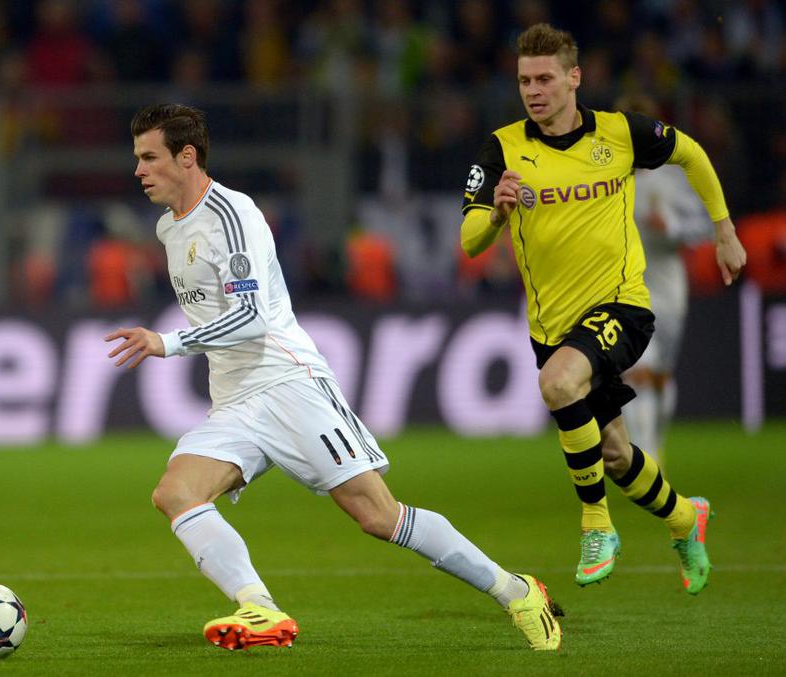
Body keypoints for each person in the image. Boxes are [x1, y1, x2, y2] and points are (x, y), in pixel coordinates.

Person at [105, 103, 563, 652]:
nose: (139, 170)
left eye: (149, 157)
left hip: (288, 384)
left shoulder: (233, 214)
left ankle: (516, 591)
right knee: (176, 492)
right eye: (137, 158)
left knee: (379, 516)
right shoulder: (169, 227)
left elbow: (252, 319)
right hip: (234, 399)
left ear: (187, 157)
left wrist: (168, 342)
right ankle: (261, 609)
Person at [459, 24, 746, 594]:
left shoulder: (620, 133)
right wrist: (496, 214)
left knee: (557, 382)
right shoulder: (502, 149)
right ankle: (685, 518)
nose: (533, 91)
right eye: (524, 81)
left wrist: (724, 229)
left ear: (574, 78)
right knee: (614, 454)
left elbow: (691, 153)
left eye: (544, 79)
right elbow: (469, 241)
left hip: (622, 306)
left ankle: (596, 526)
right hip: (553, 326)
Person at [615, 93, 714, 462]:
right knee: (637, 372)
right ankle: (647, 458)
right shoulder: (606, 178)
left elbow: (703, 226)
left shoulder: (672, 176)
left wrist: (670, 226)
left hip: (668, 288)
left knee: (660, 377)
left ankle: (655, 444)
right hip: (626, 287)